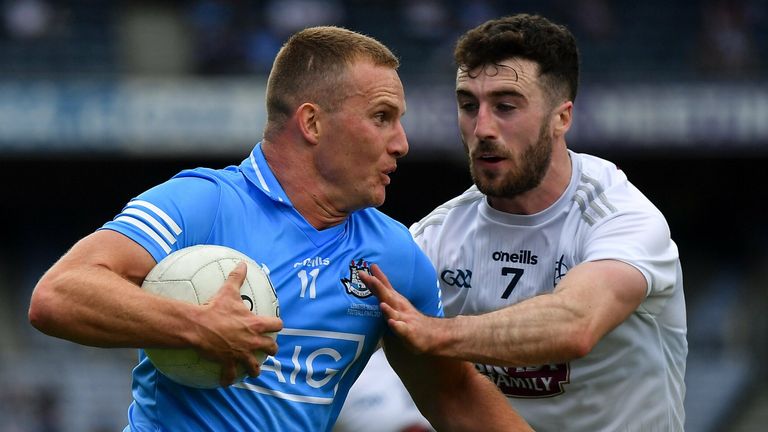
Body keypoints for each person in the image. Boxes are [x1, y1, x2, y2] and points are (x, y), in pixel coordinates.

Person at [27, 26, 531, 432]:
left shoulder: (395, 254)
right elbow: (58, 295)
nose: (401, 143)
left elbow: (453, 394)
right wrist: (194, 325)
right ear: (311, 123)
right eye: (382, 117)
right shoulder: (203, 204)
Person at [357, 14, 688, 431]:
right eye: (468, 105)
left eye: (506, 106)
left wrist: (436, 333)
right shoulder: (435, 238)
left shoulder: (621, 215)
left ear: (561, 118)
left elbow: (576, 323)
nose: (482, 128)